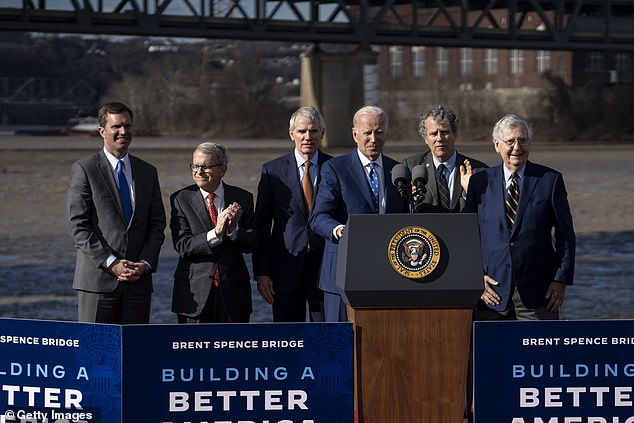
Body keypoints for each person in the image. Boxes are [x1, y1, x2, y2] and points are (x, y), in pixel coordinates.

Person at [464, 114, 576, 320]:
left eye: (522, 140)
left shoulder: (550, 181)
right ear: (497, 145)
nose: (517, 147)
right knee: (493, 353)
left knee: (540, 352)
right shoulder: (480, 183)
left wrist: (560, 280)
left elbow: (566, 236)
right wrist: (474, 278)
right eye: (510, 141)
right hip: (491, 295)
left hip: (539, 293)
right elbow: (467, 236)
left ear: (530, 143)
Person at [67, 101, 166, 324]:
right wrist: (112, 262)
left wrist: (146, 264)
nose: (124, 132)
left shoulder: (147, 172)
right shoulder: (85, 169)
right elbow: (78, 227)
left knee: (136, 355)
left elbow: (157, 225)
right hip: (98, 282)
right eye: (116, 127)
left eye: (128, 126)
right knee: (95, 354)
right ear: (102, 131)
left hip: (138, 284)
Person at [309, 105, 409, 322]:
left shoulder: (399, 171)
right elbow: (318, 217)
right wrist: (338, 230)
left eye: (379, 132)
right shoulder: (335, 169)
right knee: (337, 346)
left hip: (387, 275)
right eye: (367, 133)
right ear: (355, 134)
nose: (373, 138)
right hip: (342, 274)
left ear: (387, 134)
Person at [252, 106, 333, 322]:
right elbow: (261, 226)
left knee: (326, 337)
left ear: (322, 134)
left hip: (326, 269)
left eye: (314, 131)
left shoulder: (335, 168)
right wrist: (262, 273)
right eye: (302, 131)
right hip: (285, 269)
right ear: (291, 134)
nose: (308, 137)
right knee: (288, 340)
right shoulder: (273, 171)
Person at [170, 142, 256, 323]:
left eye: (205, 167)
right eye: (195, 166)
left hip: (233, 295)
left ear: (222, 170)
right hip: (194, 296)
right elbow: (183, 246)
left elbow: (251, 244)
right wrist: (215, 233)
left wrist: (233, 230)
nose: (198, 171)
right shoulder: (180, 199)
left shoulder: (242, 198)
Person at [402, 104, 488, 213]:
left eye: (445, 132)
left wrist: (469, 193)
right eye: (433, 134)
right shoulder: (411, 168)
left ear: (455, 135)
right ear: (425, 138)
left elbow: (486, 212)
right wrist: (412, 202)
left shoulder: (478, 171)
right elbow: (402, 213)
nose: (439, 139)